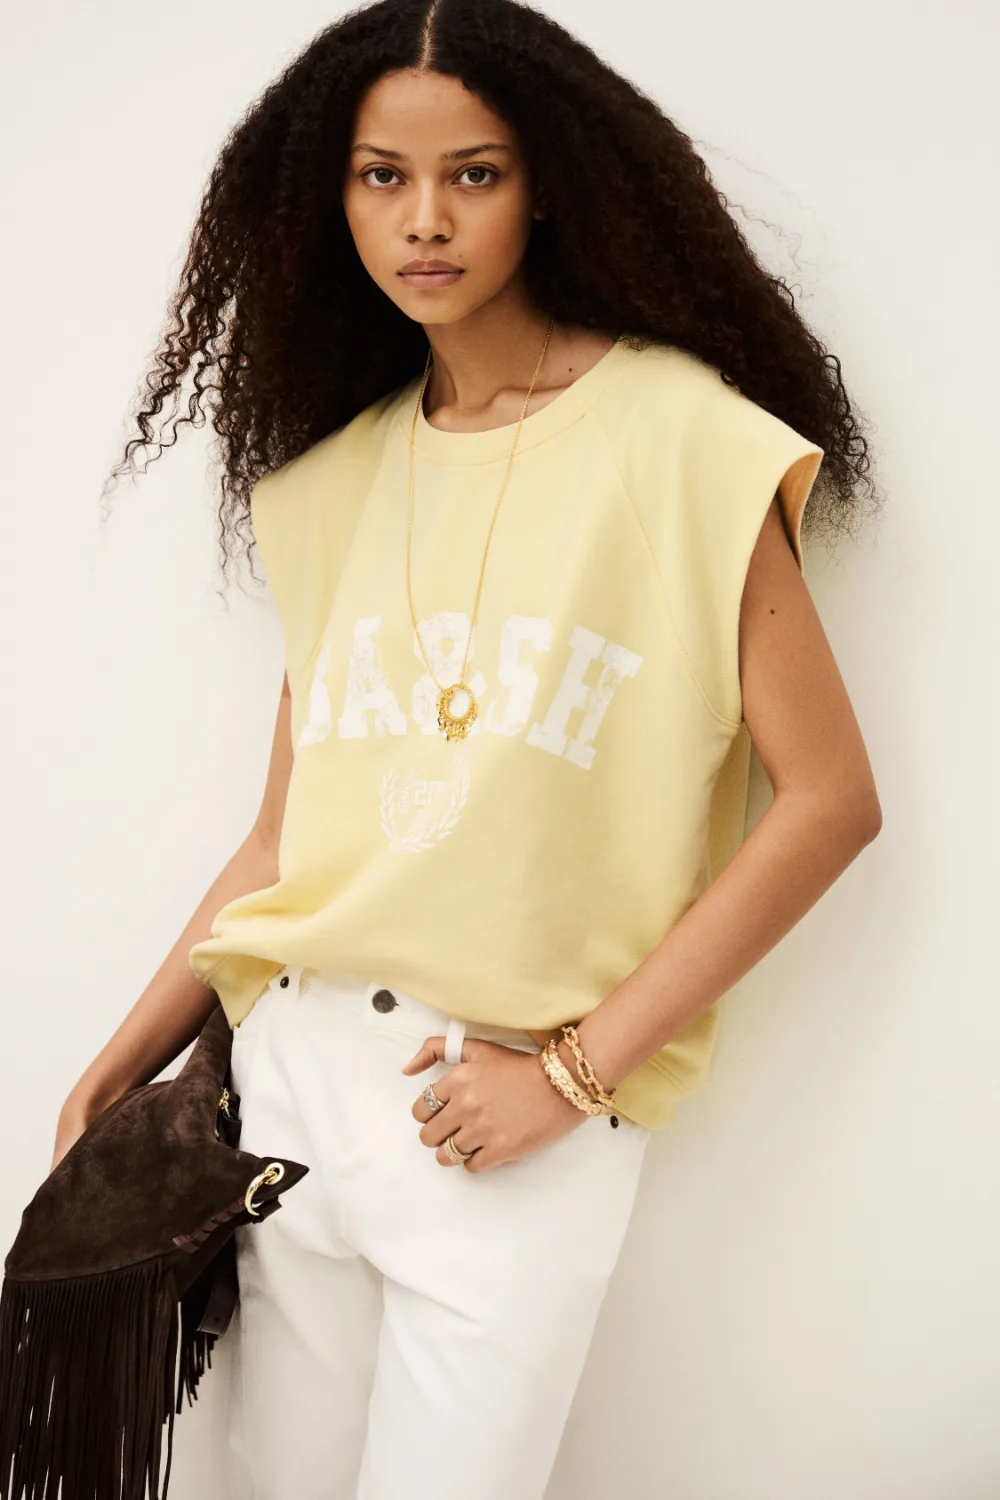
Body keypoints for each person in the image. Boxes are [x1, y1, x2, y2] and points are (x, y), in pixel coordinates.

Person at [57, 1, 883, 1496]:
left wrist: (572, 1074)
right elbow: (283, 841)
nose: (423, 219)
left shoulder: (682, 439)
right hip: (292, 1093)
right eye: (382, 176)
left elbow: (830, 802)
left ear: (546, 184)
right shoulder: (328, 484)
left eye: (474, 174)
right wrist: (119, 1065)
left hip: (496, 1113)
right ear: (331, 197)